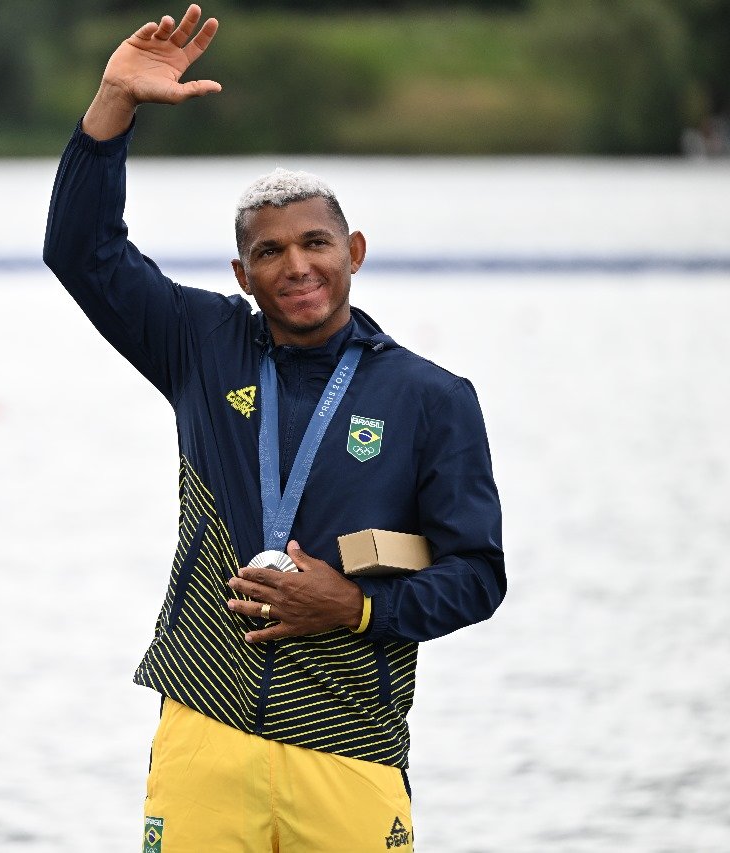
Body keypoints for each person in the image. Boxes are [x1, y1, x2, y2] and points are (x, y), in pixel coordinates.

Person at [43, 6, 505, 851]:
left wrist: (356, 606)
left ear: (354, 250)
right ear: (241, 271)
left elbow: (477, 576)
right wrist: (113, 105)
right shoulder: (200, 344)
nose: (296, 266)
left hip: (349, 748)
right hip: (205, 727)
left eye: (316, 243)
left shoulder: (430, 397)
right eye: (270, 252)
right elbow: (82, 251)